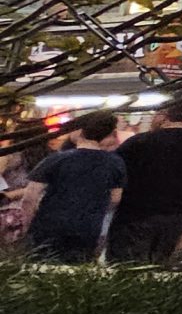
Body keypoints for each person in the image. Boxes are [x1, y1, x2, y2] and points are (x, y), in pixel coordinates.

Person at [105, 100, 182, 263]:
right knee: (161, 263)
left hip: (135, 214)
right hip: (178, 215)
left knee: (127, 263)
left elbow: (114, 171)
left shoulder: (139, 142)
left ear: (163, 116)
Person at [16, 110, 126, 261]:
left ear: (81, 131)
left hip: (49, 224)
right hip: (88, 227)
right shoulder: (115, 163)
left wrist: (27, 223)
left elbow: (30, 196)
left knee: (41, 268)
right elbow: (115, 198)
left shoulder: (57, 159)